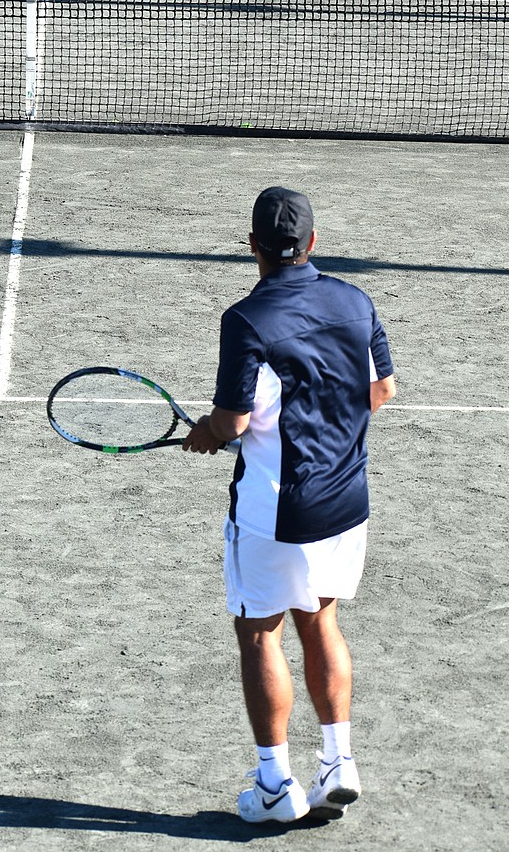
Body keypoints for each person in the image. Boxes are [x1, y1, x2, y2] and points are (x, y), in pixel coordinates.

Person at [183, 186, 396, 826]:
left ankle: (276, 785)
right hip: (345, 503)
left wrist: (208, 432)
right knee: (321, 622)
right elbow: (381, 391)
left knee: (258, 632)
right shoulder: (355, 301)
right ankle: (339, 763)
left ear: (252, 245)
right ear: (311, 243)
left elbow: (232, 421)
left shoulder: (246, 320)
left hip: (274, 512)